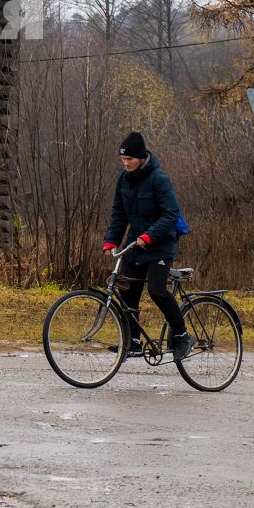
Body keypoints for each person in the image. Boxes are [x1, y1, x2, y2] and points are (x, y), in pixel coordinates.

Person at [103, 131, 193, 361]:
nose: (125, 164)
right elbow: (119, 213)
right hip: (136, 243)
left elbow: (171, 214)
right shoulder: (124, 180)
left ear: (141, 158)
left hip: (160, 245)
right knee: (126, 289)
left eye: (129, 160)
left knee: (156, 290)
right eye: (122, 160)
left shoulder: (158, 178)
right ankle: (132, 341)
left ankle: (183, 336)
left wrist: (149, 236)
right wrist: (111, 240)